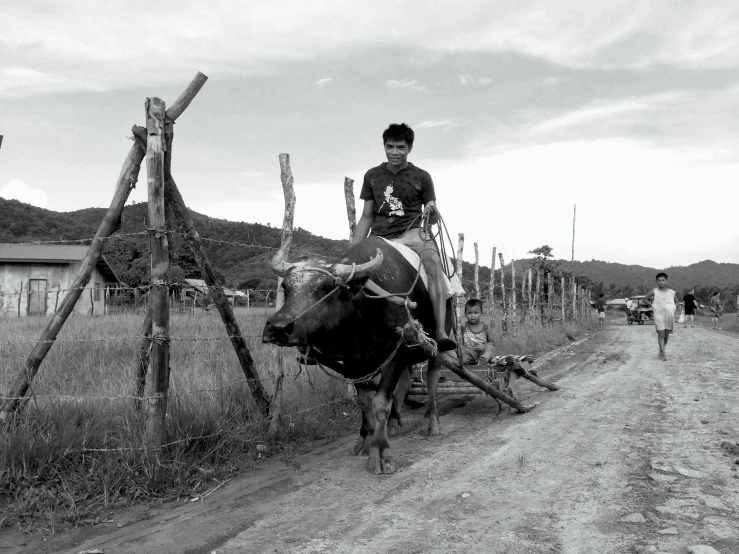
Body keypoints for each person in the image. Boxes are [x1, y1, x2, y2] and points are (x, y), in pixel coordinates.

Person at [353, 123, 456, 351]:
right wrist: (353, 248)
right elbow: (366, 216)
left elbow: (432, 219)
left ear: (409, 148)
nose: (394, 152)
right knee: (351, 275)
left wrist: (432, 213)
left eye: (400, 147)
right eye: (390, 146)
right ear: (384, 147)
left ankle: (440, 331)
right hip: (380, 237)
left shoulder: (422, 177)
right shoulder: (372, 176)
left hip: (413, 233)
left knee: (433, 261)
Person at [644, 272, 679, 361]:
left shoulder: (672, 292)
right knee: (661, 334)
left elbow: (677, 302)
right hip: (659, 315)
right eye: (659, 280)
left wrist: (675, 307)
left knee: (666, 335)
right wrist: (652, 305)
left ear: (666, 281)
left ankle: (661, 351)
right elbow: (644, 299)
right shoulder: (654, 291)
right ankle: (664, 355)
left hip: (669, 316)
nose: (661, 282)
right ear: (656, 281)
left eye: (663, 280)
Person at [460, 299, 495, 365]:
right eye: (469, 313)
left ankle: (484, 360)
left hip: (482, 353)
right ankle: (465, 361)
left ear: (481, 313)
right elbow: (461, 342)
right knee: (459, 351)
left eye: (476, 313)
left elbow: (492, 343)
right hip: (468, 353)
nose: (473, 316)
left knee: (490, 348)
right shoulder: (464, 326)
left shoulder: (486, 327)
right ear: (465, 314)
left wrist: (484, 346)